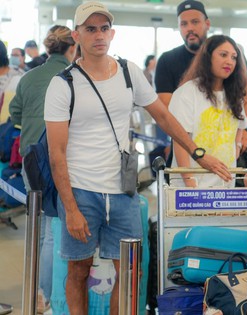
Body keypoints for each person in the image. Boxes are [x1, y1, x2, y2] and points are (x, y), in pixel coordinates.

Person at [43, 2, 231, 314]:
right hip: (80, 190)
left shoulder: (129, 73)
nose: (99, 35)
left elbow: (164, 117)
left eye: (104, 28)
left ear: (112, 33)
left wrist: (198, 153)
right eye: (91, 29)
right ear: (77, 35)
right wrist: (71, 208)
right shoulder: (63, 84)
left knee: (131, 272)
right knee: (78, 271)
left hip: (123, 191)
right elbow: (56, 154)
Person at [9, 25, 77, 314]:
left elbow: (15, 113)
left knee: (36, 225)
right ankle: (46, 295)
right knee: (52, 229)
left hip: (30, 159)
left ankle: (35, 288)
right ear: (73, 47)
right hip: (61, 156)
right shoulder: (74, 76)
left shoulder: (28, 77)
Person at [155, 0, 247, 155]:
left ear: (207, 24)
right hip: (187, 143)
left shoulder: (230, 53)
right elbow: (167, 108)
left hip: (225, 145)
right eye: (184, 24)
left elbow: (246, 93)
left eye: (195, 22)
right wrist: (182, 142)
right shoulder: (168, 60)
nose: (190, 28)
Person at [169, 35, 247, 188]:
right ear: (208, 56)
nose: (229, 61)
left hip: (225, 184)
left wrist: (236, 148)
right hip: (192, 186)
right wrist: (190, 182)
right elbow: (180, 140)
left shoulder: (234, 94)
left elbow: (241, 125)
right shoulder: (187, 93)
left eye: (234, 57)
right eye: (223, 55)